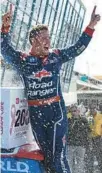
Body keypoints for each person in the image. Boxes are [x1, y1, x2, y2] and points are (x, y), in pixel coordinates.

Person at [1, 4, 100, 173]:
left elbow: (77, 48)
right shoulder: (23, 60)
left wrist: (90, 27)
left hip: (56, 113)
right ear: (33, 40)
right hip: (36, 114)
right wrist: (5, 28)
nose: (49, 41)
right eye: (44, 38)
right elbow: (4, 49)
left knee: (58, 158)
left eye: (49, 37)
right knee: (46, 156)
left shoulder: (56, 56)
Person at [67, 105, 91, 173]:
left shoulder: (83, 120)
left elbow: (88, 131)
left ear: (78, 111)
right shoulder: (69, 120)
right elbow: (67, 131)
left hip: (81, 144)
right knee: (69, 162)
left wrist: (81, 126)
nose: (73, 113)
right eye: (71, 111)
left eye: (74, 111)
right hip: (70, 144)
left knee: (80, 163)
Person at [85, 104, 102, 173]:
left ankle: (100, 168)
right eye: (90, 108)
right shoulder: (87, 116)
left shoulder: (100, 116)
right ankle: (90, 170)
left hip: (98, 138)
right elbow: (87, 127)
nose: (92, 109)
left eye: (93, 108)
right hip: (89, 138)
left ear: (96, 108)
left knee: (99, 155)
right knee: (89, 154)